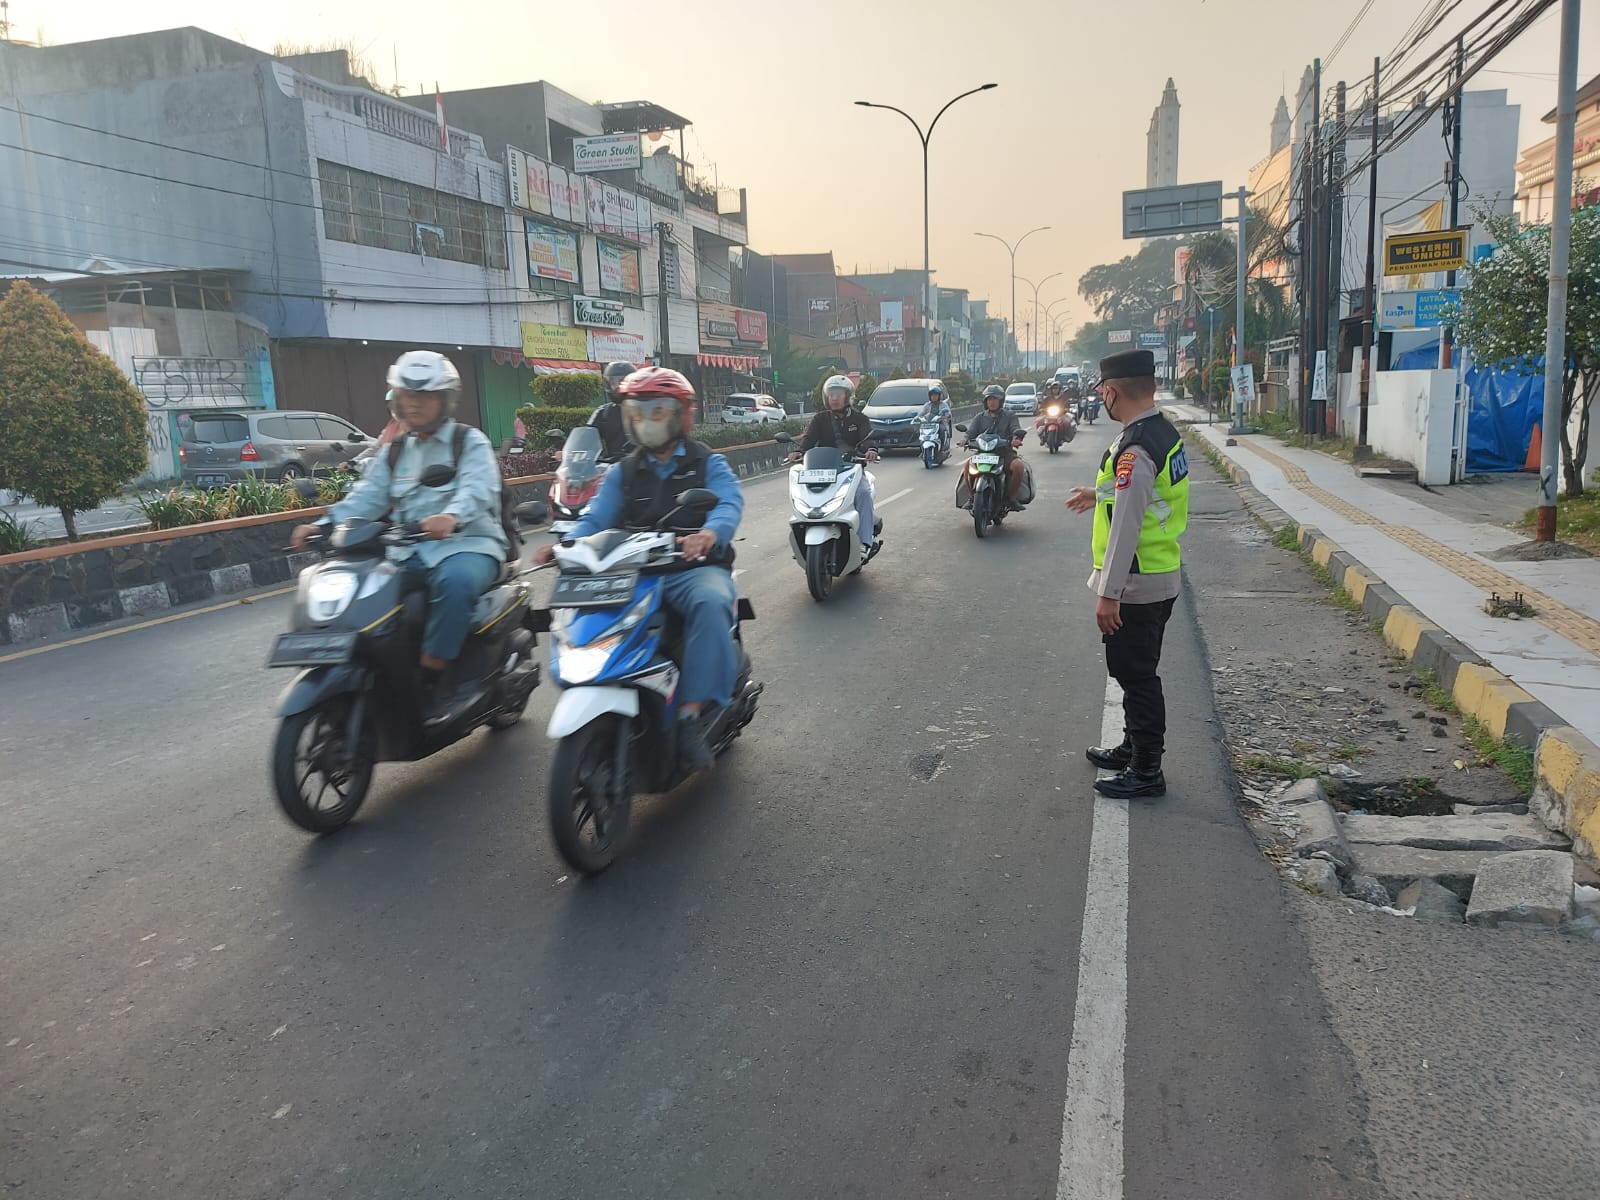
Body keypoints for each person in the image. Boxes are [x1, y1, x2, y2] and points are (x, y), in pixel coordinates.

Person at [532, 367, 745, 772]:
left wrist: (709, 534)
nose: (647, 420)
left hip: (690, 567)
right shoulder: (623, 472)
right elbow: (596, 518)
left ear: (680, 415)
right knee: (588, 612)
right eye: (639, 412)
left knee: (711, 601)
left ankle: (691, 715)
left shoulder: (707, 462)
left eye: (657, 411)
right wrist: (565, 546)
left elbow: (728, 503)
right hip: (633, 571)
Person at [290, 351, 509, 724]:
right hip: (408, 550)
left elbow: (479, 487)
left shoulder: (467, 441)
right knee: (366, 592)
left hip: (469, 545)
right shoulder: (395, 451)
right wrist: (323, 526)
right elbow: (366, 497)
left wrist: (452, 516)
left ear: (444, 400)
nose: (414, 404)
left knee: (454, 583)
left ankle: (435, 676)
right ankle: (381, 673)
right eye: (408, 396)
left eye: (424, 396)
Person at [1065, 349, 1190, 799]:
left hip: (1136, 583)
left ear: (1112, 392)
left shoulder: (1135, 449)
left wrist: (1109, 593)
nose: (1102, 398)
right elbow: (1143, 495)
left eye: (1103, 392)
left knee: (1136, 676)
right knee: (1135, 671)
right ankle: (1131, 747)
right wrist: (1097, 493)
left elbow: (1127, 525)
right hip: (1160, 573)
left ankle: (1146, 769)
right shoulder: (1160, 432)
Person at [788, 373, 882, 545]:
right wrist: (798, 451)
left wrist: (871, 450)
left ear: (848, 396)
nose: (834, 398)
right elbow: (808, 439)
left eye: (838, 394)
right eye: (831, 394)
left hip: (851, 470)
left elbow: (867, 438)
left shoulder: (860, 419)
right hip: (823, 471)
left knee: (864, 494)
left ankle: (865, 541)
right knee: (804, 496)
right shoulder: (820, 419)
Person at [963, 385, 1026, 510]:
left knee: (1018, 466)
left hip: (1004, 452)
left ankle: (1012, 499)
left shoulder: (1010, 416)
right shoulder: (980, 417)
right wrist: (964, 439)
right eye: (989, 399)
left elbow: (1015, 428)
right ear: (985, 401)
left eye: (995, 399)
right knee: (967, 466)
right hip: (983, 453)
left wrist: (1016, 439)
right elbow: (970, 432)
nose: (992, 402)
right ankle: (971, 498)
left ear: (1001, 401)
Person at [587, 360, 636, 459]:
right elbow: (586, 438)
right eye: (613, 382)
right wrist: (570, 453)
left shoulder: (643, 409)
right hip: (611, 464)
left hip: (641, 464)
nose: (617, 386)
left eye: (621, 382)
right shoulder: (603, 412)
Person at [917, 382, 954, 456]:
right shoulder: (927, 405)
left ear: (939, 396)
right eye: (932, 395)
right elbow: (921, 413)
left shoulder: (943, 404)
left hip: (940, 424)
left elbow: (948, 413)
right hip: (928, 424)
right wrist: (917, 418)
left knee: (942, 431)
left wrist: (947, 416)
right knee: (921, 433)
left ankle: (943, 449)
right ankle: (923, 450)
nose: (934, 397)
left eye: (936, 395)